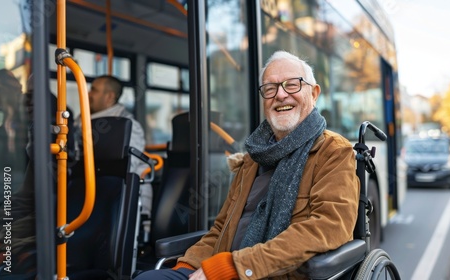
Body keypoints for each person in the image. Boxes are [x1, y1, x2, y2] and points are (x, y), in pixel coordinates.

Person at [135, 50, 359, 280]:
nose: (280, 95)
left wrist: (236, 266)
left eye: (292, 85)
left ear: (314, 93)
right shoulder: (253, 158)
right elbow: (220, 230)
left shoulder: (333, 151)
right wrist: (185, 267)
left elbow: (329, 227)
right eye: (270, 88)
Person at [74, 75, 152, 221]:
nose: (88, 94)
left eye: (94, 90)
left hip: (120, 196)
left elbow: (126, 168)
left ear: (109, 97)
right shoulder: (81, 121)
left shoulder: (126, 125)